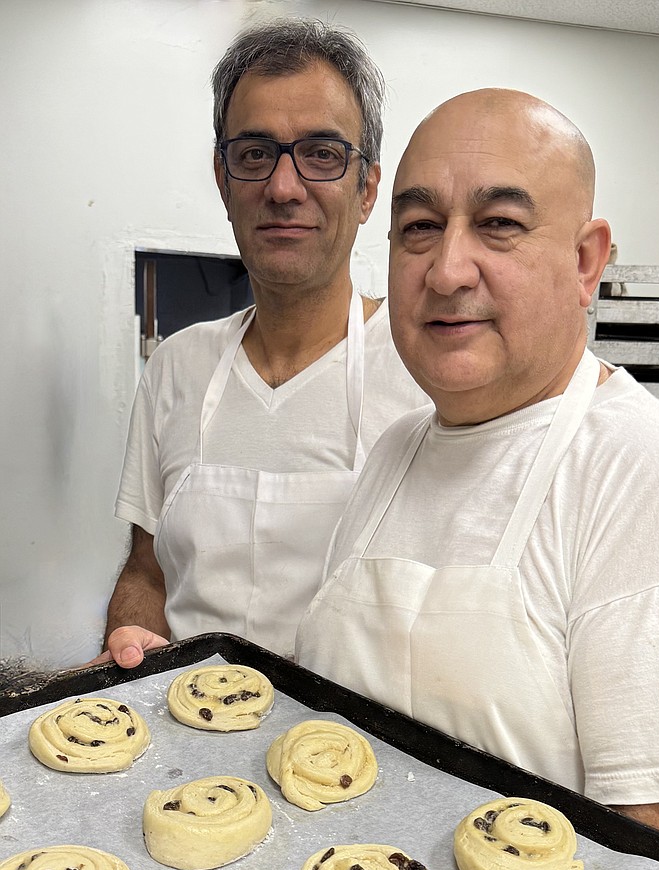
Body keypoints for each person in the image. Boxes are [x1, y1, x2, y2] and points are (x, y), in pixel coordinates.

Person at [295, 88, 659, 834]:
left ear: (585, 260)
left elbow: (650, 833)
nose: (446, 271)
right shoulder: (397, 450)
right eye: (420, 227)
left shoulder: (637, 464)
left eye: (499, 225)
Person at [95, 18, 427, 669]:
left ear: (366, 190)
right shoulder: (175, 367)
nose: (282, 187)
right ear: (222, 180)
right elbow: (147, 572)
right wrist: (129, 641)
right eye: (254, 154)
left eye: (322, 154)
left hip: (354, 758)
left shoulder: (425, 372)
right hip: (190, 740)